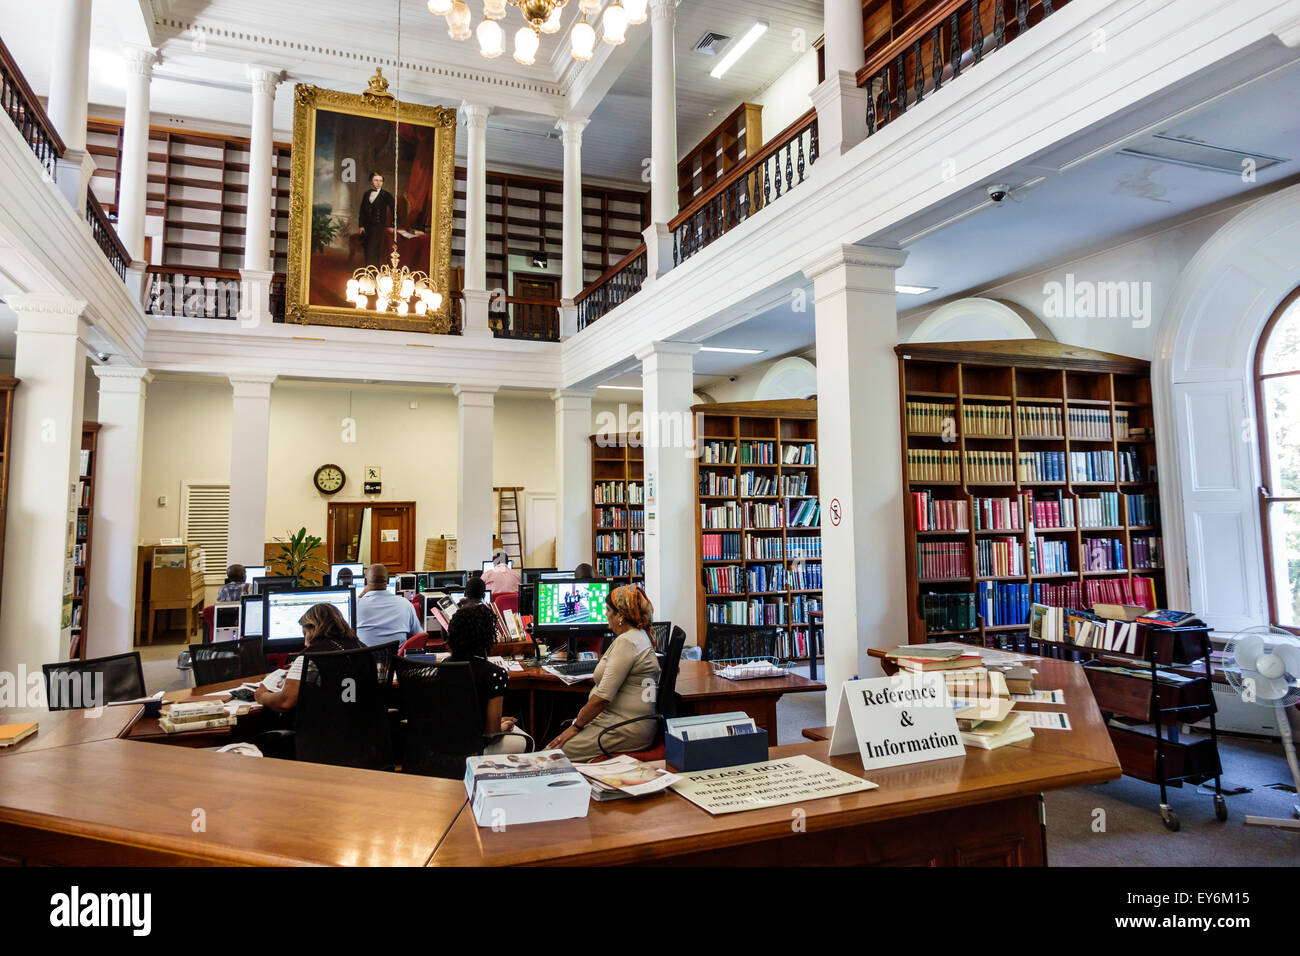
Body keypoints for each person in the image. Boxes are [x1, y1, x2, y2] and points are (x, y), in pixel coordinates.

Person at [547, 585, 660, 762]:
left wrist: (576, 727)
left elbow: (602, 698)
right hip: (626, 722)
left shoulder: (628, 642)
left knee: (553, 755)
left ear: (621, 616)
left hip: (625, 727)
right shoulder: (638, 636)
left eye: (608, 610)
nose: (605, 615)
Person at [445, 601, 530, 755]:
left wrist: (495, 721)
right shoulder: (495, 674)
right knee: (524, 740)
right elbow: (492, 737)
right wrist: (501, 727)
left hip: (446, 744)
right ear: (487, 636)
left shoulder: (446, 665)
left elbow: (463, 714)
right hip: (475, 748)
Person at [254, 603, 364, 713]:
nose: (305, 643)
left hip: (326, 726)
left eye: (305, 633)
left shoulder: (310, 656)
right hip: (366, 724)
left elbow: (286, 702)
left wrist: (262, 695)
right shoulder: (361, 647)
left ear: (313, 629)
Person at [355, 563, 422, 648]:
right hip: (396, 660)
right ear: (388, 581)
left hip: (366, 659)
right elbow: (418, 636)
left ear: (365, 581)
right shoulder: (405, 604)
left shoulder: (355, 604)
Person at [357, 171, 395, 268]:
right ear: (371, 182)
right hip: (366, 226)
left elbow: (395, 209)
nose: (378, 182)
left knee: (372, 249)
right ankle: (368, 270)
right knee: (366, 248)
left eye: (381, 180)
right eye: (376, 180)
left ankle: (374, 272)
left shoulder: (385, 195)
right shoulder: (367, 194)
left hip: (378, 226)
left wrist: (392, 224)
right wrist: (361, 225)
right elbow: (362, 211)